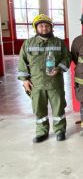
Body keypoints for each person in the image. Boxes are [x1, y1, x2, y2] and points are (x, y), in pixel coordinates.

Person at [18, 14, 70, 143]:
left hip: (55, 83)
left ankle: (59, 131)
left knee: (58, 108)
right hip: (37, 84)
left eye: (47, 26)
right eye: (41, 26)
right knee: (39, 109)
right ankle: (42, 132)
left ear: (51, 28)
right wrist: (25, 80)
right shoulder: (28, 44)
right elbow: (22, 63)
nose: (44, 28)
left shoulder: (59, 42)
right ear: (36, 28)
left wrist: (59, 68)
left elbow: (67, 58)